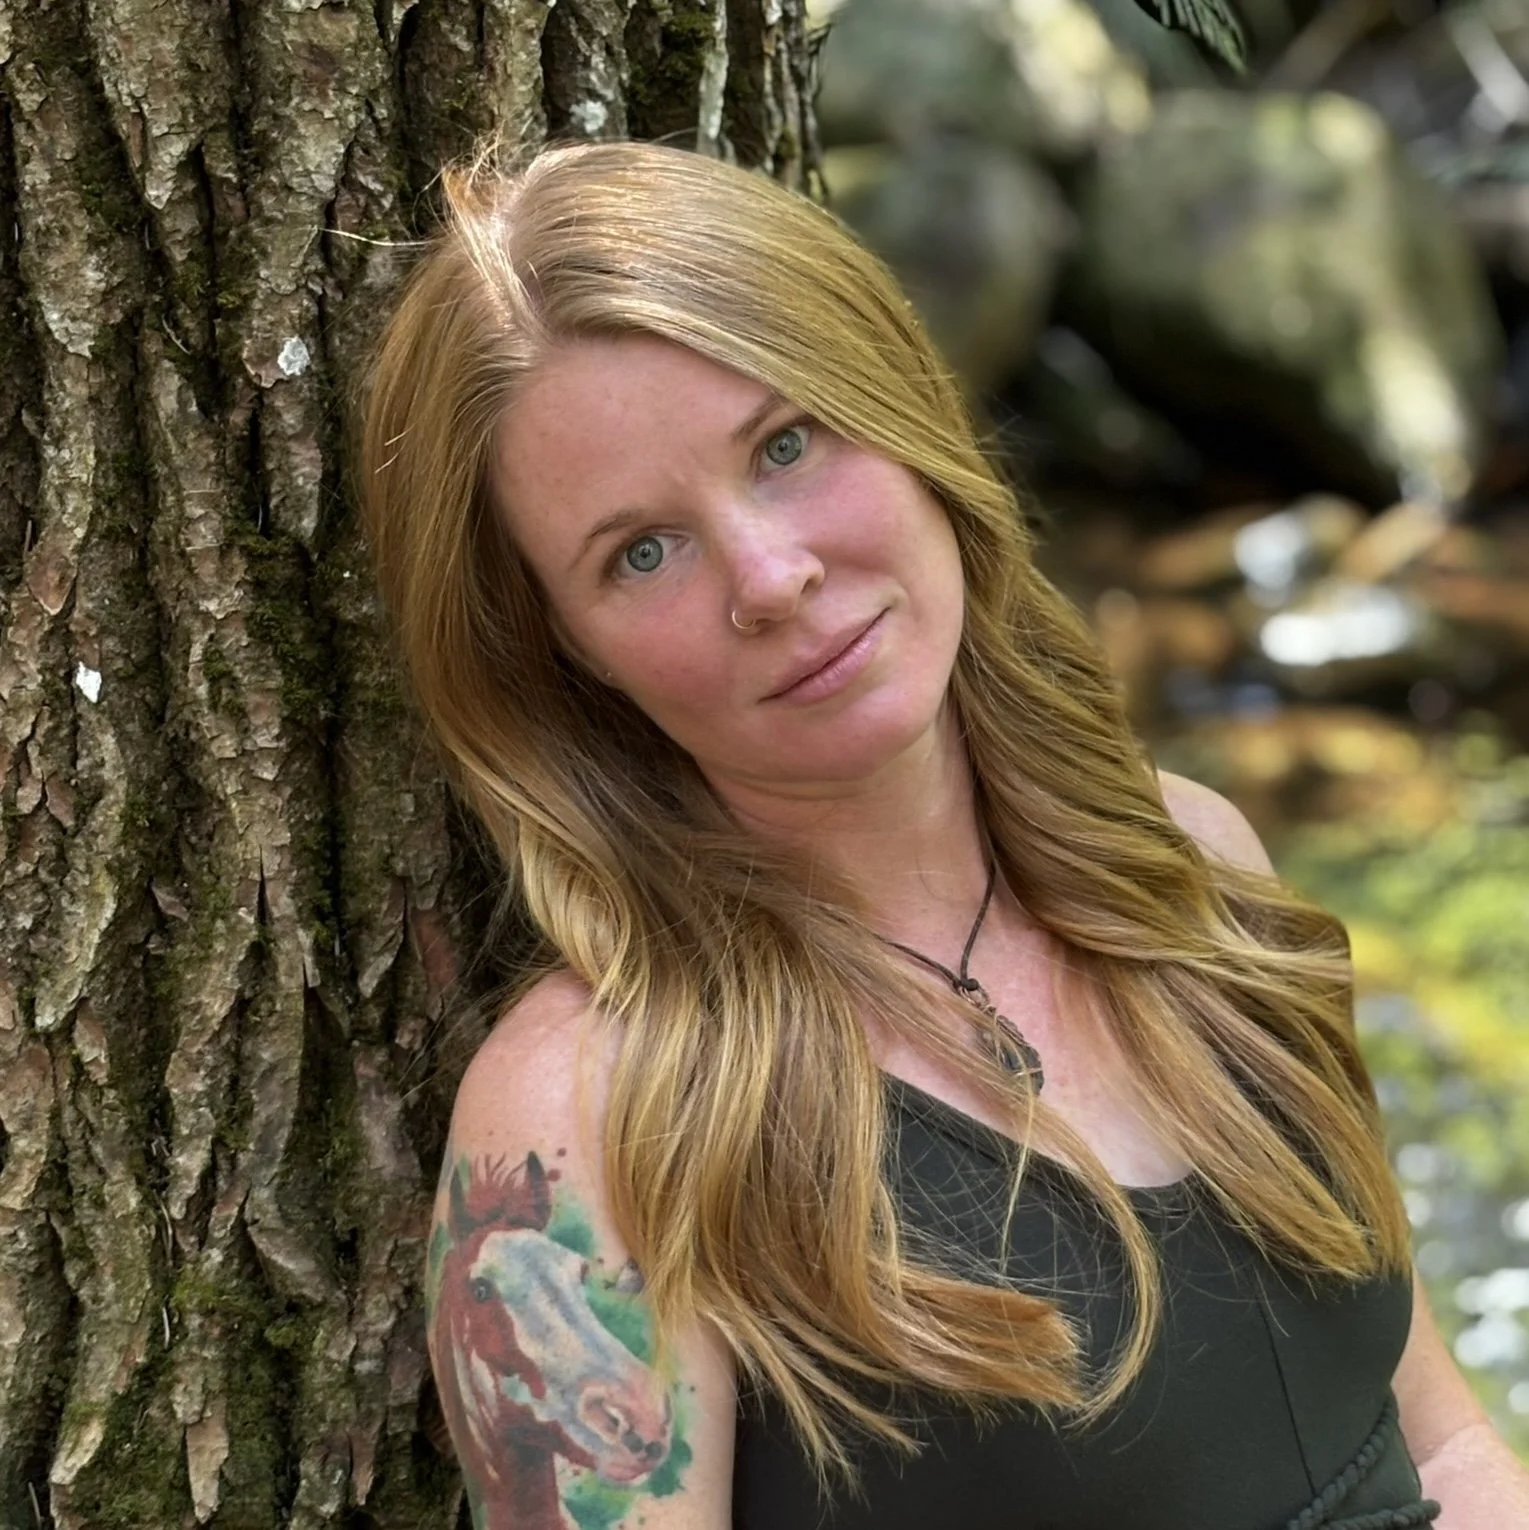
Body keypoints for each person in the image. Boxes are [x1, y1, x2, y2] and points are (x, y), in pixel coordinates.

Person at [357, 138, 1529, 1530]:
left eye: (786, 445)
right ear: (566, 652)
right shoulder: (591, 1120)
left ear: (901, 408)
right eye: (642, 552)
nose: (772, 577)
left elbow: (1444, 1443)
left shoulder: (1193, 863)